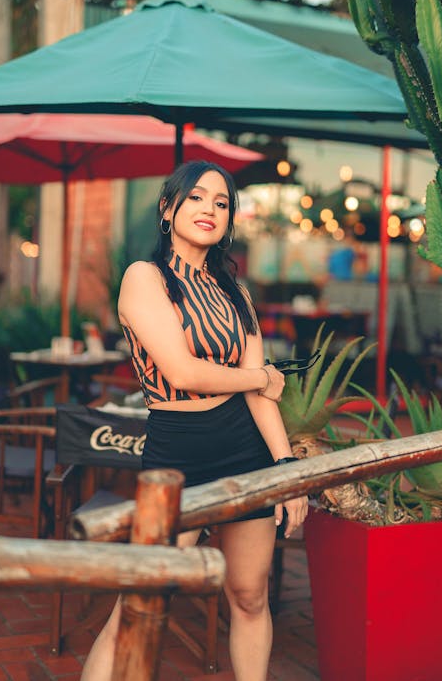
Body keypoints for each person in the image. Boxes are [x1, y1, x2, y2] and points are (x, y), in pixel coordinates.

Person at [81, 160, 308, 681]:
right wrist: (258, 378)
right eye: (198, 197)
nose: (210, 209)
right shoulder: (145, 278)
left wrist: (286, 468)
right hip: (178, 451)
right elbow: (186, 371)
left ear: (230, 220)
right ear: (168, 208)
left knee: (250, 596)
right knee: (139, 605)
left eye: (222, 202)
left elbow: (261, 393)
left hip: (245, 447)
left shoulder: (234, 289)